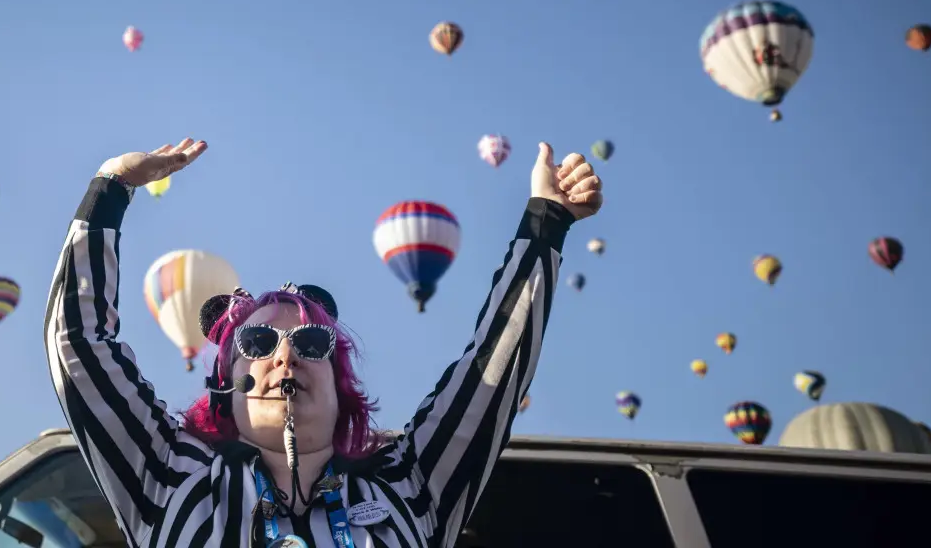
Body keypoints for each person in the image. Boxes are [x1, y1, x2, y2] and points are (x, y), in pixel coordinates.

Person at [46, 137, 603, 547]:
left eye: (313, 343)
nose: (284, 355)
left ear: (341, 387)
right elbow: (78, 343)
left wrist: (547, 221)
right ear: (224, 387)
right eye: (258, 341)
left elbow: (494, 368)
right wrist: (111, 188)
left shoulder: (410, 482)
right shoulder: (169, 475)